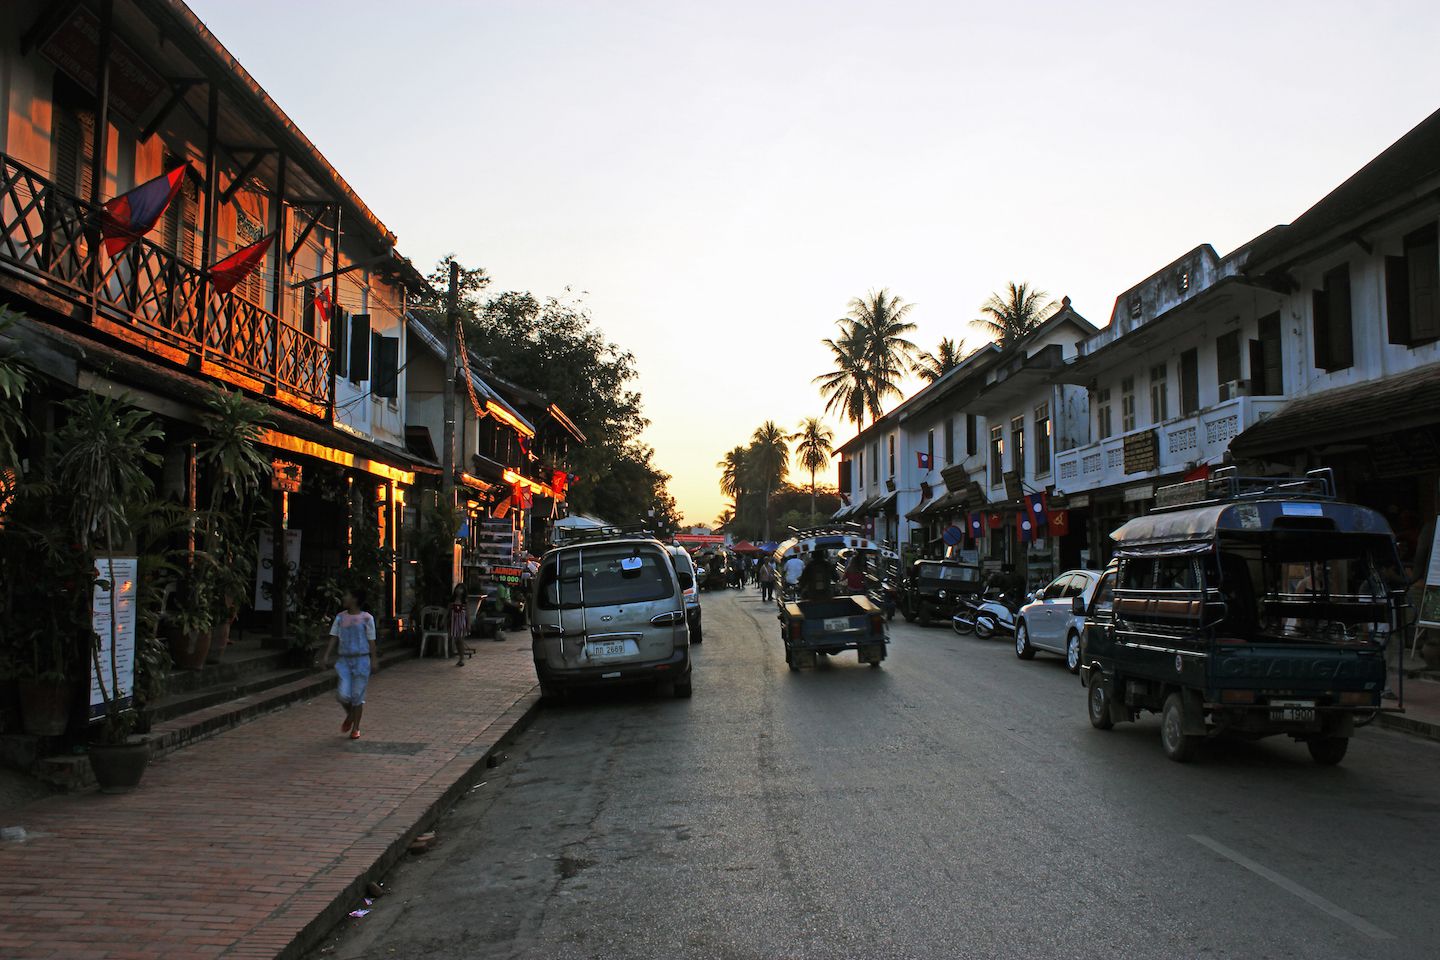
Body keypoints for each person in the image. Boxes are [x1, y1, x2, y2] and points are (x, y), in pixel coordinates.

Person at [323, 588, 379, 740]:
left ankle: (356, 728)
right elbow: (334, 637)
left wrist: (373, 659)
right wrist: (327, 655)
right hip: (344, 660)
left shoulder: (367, 618)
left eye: (346, 594)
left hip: (361, 660)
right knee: (342, 694)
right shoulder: (340, 618)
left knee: (357, 695)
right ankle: (351, 715)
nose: (344, 597)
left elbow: (371, 640)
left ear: (354, 599)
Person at [450, 583, 473, 666]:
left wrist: (468, 624)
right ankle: (460, 656)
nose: (459, 590)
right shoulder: (452, 600)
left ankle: (461, 658)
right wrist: (444, 619)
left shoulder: (465, 601)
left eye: (461, 589)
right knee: (456, 640)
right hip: (454, 622)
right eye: (457, 588)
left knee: (460, 639)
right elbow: (448, 610)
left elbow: (468, 613)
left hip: (462, 622)